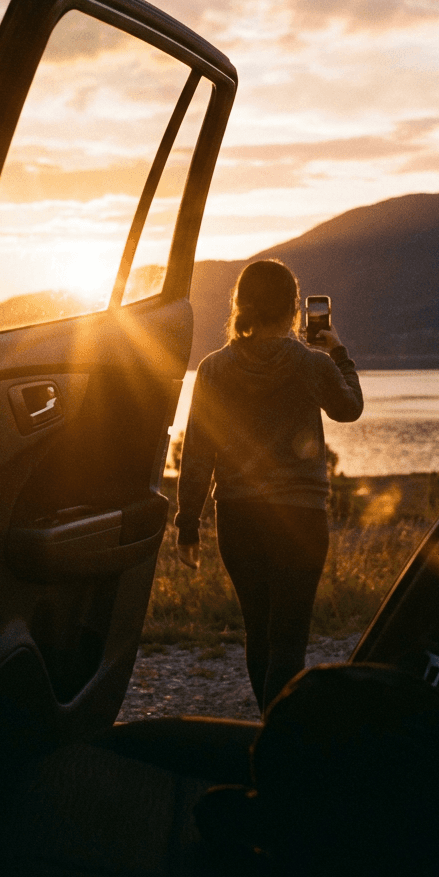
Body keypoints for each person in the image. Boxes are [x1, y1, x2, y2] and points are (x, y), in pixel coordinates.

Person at [174, 259, 364, 712]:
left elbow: (198, 451)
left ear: (242, 305)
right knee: (288, 639)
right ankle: (281, 742)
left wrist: (188, 523)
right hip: (299, 516)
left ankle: (269, 729)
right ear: (295, 309)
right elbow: (350, 407)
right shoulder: (311, 362)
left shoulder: (214, 368)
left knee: (258, 632)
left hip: (237, 516)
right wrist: (338, 352)